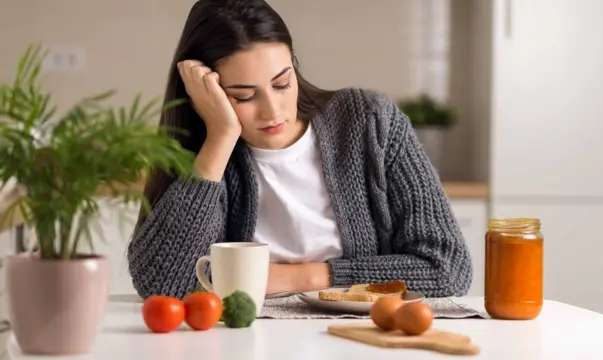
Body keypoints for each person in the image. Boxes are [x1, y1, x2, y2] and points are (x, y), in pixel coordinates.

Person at [127, 0, 473, 300]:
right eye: (243, 96)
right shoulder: (200, 153)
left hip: (361, 337)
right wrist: (220, 137)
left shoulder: (368, 121)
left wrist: (298, 277)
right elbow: (162, 284)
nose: (273, 111)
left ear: (294, 64)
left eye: (281, 83)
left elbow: (447, 268)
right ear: (206, 95)